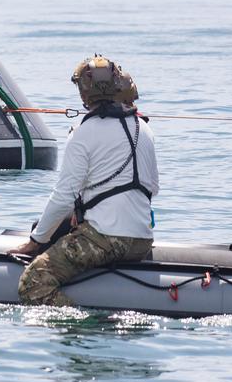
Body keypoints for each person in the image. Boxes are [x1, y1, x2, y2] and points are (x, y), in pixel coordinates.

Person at [12, 56, 160, 306]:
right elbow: (152, 189)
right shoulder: (144, 129)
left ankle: (87, 326)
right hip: (142, 241)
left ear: (83, 92)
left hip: (104, 239)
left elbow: (62, 198)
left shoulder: (82, 134)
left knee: (34, 281)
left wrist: (35, 241)